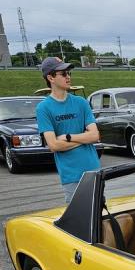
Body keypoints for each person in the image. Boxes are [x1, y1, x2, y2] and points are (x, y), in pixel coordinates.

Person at [36, 58, 100, 203]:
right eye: (63, 73)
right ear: (50, 77)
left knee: (99, 218)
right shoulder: (43, 108)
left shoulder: (81, 102)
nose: (68, 77)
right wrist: (84, 139)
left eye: (69, 73)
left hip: (93, 169)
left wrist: (68, 137)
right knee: (78, 220)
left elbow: (95, 135)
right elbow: (54, 145)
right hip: (71, 174)